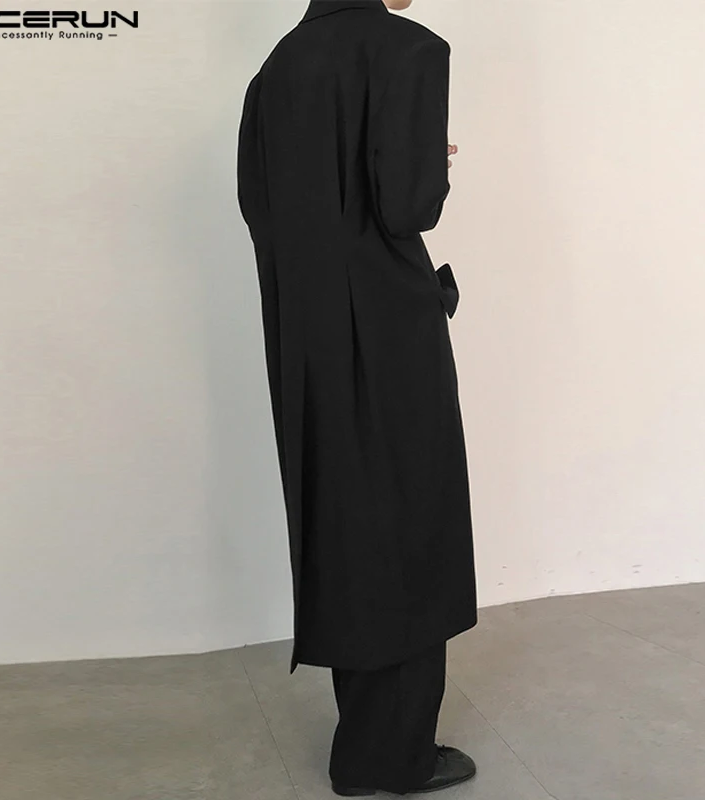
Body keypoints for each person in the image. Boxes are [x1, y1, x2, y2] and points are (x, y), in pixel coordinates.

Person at [237, 0, 477, 794]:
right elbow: (408, 205)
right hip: (387, 331)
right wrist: (428, 160)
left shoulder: (278, 66)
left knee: (346, 522)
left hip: (305, 338)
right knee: (411, 522)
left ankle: (367, 744)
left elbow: (261, 208)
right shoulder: (409, 47)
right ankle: (394, 756)